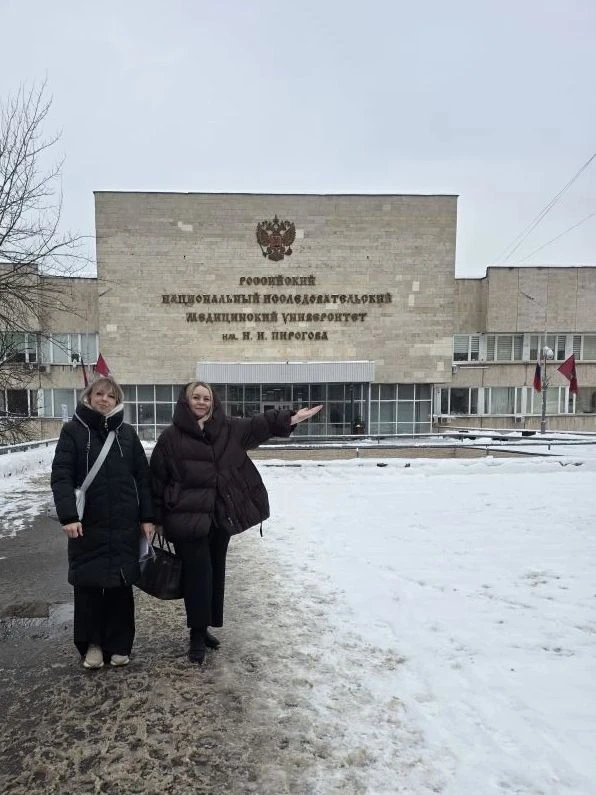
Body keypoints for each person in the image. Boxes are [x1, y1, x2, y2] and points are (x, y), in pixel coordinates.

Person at [150, 381, 322, 664]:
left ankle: (205, 627)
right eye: (196, 397)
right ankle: (196, 635)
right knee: (197, 576)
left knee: (214, 573)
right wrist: (154, 518)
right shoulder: (171, 437)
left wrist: (289, 418)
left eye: (206, 398)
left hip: (218, 518)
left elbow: (259, 424)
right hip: (186, 517)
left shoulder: (228, 428)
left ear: (213, 402)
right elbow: (156, 479)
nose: (202, 402)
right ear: (186, 401)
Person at [50, 376, 154, 669]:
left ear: (117, 401)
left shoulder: (127, 434)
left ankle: (119, 644)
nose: (104, 399)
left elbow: (143, 478)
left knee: (121, 585)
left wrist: (147, 517)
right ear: (89, 396)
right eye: (99, 394)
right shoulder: (73, 431)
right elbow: (61, 476)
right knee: (88, 585)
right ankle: (92, 645)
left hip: (124, 523)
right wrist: (69, 516)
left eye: (111, 396)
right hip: (87, 523)